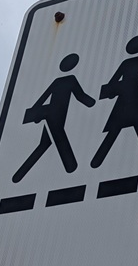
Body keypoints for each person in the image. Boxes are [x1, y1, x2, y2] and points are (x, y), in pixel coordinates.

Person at [12, 53, 95, 182]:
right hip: (55, 113)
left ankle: (19, 175)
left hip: (52, 112)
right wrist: (91, 102)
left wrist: (92, 102)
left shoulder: (61, 81)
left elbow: (44, 98)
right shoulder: (69, 80)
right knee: (58, 137)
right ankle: (71, 166)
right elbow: (79, 96)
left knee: (45, 143)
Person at [91, 35, 138, 168]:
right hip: (135, 96)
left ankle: (98, 159)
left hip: (124, 98)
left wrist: (111, 93)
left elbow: (113, 81)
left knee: (118, 127)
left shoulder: (126, 63)